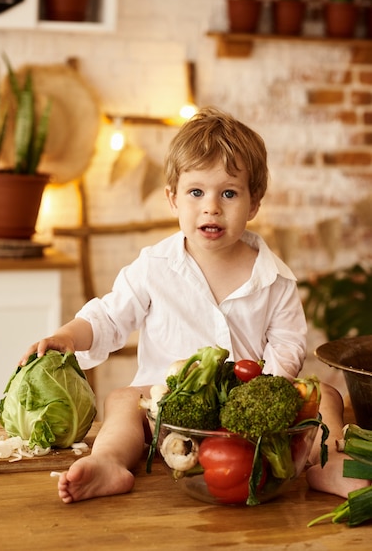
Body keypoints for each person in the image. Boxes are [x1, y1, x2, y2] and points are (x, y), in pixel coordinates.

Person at [20, 107, 368, 504]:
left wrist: (266, 393)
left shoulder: (275, 278)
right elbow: (108, 316)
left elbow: (288, 344)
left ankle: (326, 461)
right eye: (196, 192)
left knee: (327, 395)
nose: (211, 207)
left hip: (246, 409)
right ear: (173, 199)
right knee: (121, 399)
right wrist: (68, 336)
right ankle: (111, 461)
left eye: (230, 193)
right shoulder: (154, 266)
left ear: (254, 204)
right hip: (166, 408)